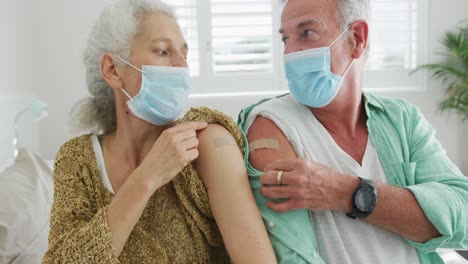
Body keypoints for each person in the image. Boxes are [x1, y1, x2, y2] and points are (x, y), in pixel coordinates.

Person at [42, 1, 276, 263]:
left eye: (184, 55)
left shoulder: (205, 143)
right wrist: (146, 178)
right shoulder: (77, 159)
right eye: (163, 52)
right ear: (112, 69)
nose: (182, 66)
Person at [238, 0, 468, 263]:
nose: (290, 52)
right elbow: (292, 257)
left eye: (307, 33)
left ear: (357, 38)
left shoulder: (401, 119)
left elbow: (463, 218)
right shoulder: (271, 124)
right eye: (285, 39)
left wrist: (347, 193)